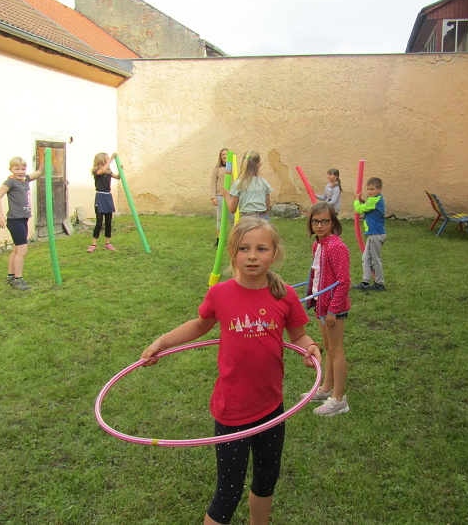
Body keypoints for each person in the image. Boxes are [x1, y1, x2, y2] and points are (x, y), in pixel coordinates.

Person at [140, 217, 321, 525]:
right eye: (244, 249)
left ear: (275, 253)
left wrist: (311, 347)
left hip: (271, 407)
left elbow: (298, 335)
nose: (252, 256)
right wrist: (162, 342)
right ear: (233, 254)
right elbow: (200, 325)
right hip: (232, 411)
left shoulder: (284, 295)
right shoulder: (220, 294)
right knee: (228, 492)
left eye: (261, 249)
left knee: (266, 481)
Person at [302, 202, 351, 416]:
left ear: (333, 222)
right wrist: (316, 301)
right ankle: (326, 388)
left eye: (324, 221)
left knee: (336, 350)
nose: (320, 225)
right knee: (328, 348)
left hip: (333, 307)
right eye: (315, 221)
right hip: (321, 304)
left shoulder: (336, 246)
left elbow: (344, 281)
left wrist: (333, 309)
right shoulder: (318, 245)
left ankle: (338, 399)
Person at [0, 156, 45, 291]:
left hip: (23, 219)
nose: (20, 172)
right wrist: (0, 215)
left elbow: (40, 172)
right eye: (17, 169)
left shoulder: (25, 179)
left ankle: (11, 276)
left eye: (23, 169)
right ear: (11, 169)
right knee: (22, 250)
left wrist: (46, 157)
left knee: (16, 249)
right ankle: (18, 280)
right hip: (15, 220)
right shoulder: (10, 182)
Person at [352, 176, 386, 291]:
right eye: (367, 189)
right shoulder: (374, 200)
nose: (369, 192)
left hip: (375, 234)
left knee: (374, 259)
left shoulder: (374, 200)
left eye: (372, 189)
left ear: (379, 190)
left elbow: (359, 210)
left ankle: (379, 284)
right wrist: (362, 202)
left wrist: (356, 201)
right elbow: (367, 206)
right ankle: (365, 283)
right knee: (366, 258)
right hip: (374, 234)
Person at [222, 151, 273, 220]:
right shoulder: (263, 182)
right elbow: (267, 207)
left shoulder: (239, 183)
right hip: (263, 219)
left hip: (247, 219)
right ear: (258, 165)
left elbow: (232, 209)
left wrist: (227, 196)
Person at [87, 152, 120, 253]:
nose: (108, 159)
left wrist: (121, 170)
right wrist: (111, 160)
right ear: (101, 159)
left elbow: (118, 177)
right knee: (99, 221)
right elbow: (102, 171)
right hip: (100, 197)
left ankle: (108, 243)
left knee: (108, 221)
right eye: (107, 158)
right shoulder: (96, 171)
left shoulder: (108, 171)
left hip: (108, 197)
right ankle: (93, 244)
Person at [210, 148, 233, 246]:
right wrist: (213, 197)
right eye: (223, 154)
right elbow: (213, 183)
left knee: (232, 218)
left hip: (231, 196)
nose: (224, 156)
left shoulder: (233, 168)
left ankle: (234, 239)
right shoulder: (217, 168)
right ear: (220, 156)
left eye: (226, 154)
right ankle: (219, 239)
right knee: (220, 218)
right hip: (220, 196)